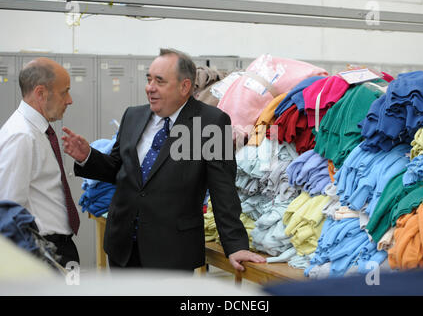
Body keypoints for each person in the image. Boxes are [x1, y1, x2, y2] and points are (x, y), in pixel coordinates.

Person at [62, 48, 266, 271]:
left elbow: (222, 188)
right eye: (149, 79)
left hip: (173, 252)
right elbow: (118, 170)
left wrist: (235, 244)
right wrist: (87, 157)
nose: (150, 87)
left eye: (159, 81)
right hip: (122, 246)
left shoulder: (210, 122)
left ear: (184, 86)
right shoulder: (133, 115)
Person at [0, 57, 80, 267]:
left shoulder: (37, 132)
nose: (70, 100)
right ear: (40, 93)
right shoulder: (22, 136)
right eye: (65, 92)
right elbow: (9, 210)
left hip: (57, 248)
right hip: (43, 252)